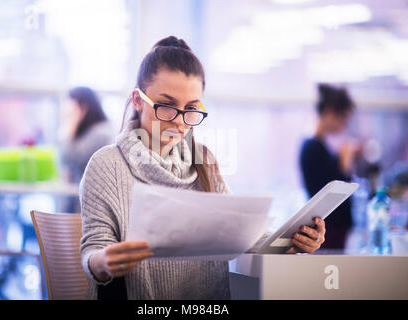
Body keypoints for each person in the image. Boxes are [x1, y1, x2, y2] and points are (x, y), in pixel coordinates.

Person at [80, 36, 326, 300]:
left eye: (191, 109)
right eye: (166, 106)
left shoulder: (203, 161)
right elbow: (93, 251)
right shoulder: (107, 165)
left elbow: (242, 234)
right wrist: (104, 261)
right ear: (138, 101)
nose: (179, 122)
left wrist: (294, 240)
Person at [300, 84, 360, 250]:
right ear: (330, 112)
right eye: (343, 118)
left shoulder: (320, 146)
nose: (344, 125)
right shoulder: (312, 147)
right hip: (328, 230)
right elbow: (327, 195)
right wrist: (345, 163)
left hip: (333, 229)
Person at [59, 86, 113, 185]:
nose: (65, 109)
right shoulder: (86, 131)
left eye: (70, 104)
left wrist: (71, 123)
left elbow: (68, 159)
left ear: (83, 107)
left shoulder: (100, 133)